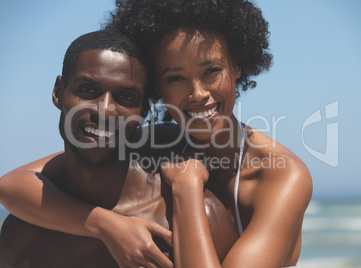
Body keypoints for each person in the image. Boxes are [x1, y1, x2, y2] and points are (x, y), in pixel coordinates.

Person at [0, 0, 313, 267]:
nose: (198, 94)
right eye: (176, 77)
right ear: (157, 90)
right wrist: (106, 225)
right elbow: (14, 184)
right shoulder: (161, 138)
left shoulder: (282, 175)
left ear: (237, 66)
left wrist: (187, 188)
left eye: (211, 71)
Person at [0, 30, 237, 268]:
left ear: (144, 112)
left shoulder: (193, 218)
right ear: (58, 92)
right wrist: (105, 225)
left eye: (125, 97)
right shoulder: (25, 231)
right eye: (88, 90)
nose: (104, 111)